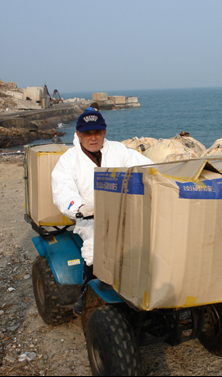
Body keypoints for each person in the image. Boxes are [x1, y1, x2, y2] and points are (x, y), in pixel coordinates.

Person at [51, 107, 153, 316]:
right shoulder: (69, 160)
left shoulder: (119, 151)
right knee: (95, 250)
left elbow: (146, 167)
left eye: (97, 132)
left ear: (104, 132)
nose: (93, 137)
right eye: (87, 133)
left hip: (126, 212)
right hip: (91, 218)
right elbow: (62, 189)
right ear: (79, 135)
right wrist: (79, 208)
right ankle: (86, 291)